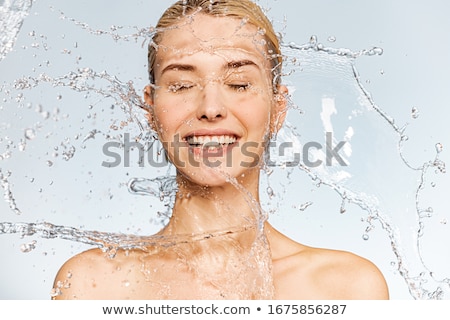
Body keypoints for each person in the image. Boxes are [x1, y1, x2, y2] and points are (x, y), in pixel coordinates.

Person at [53, 0, 389, 299]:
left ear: (278, 108)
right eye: (182, 85)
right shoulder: (92, 285)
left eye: (239, 84)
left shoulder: (346, 288)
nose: (211, 108)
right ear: (151, 110)